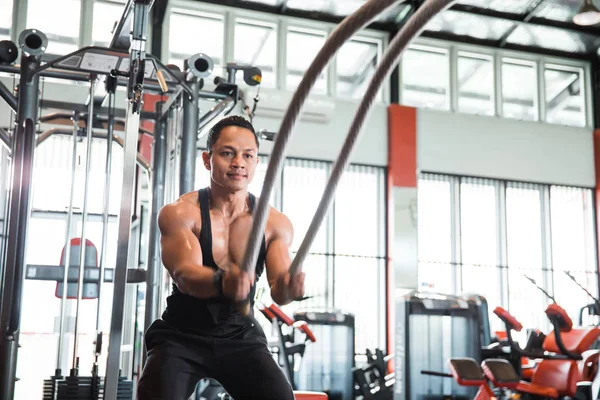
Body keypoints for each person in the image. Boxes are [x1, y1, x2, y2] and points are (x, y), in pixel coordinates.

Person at [136, 115, 306, 400]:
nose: (239, 162)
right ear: (207, 159)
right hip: (181, 335)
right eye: (228, 153)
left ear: (256, 163)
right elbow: (185, 274)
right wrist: (221, 282)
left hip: (240, 335)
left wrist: (290, 289)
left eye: (248, 155)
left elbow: (279, 287)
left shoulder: (275, 223)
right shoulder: (181, 213)